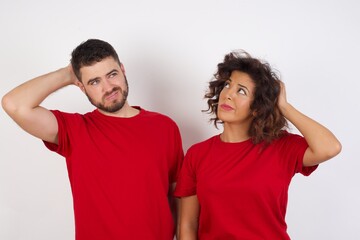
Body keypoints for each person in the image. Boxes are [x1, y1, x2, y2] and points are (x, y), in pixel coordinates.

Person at [2, 39, 184, 240]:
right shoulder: (75, 130)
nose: (108, 88)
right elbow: (14, 105)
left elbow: (177, 194)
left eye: (112, 74)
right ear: (80, 86)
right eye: (94, 81)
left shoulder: (164, 127)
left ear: (123, 70)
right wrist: (68, 73)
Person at [174, 50, 342, 239]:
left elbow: (330, 147)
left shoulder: (280, 147)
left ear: (257, 108)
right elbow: (187, 225)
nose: (228, 94)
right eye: (228, 85)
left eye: (241, 91)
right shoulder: (198, 154)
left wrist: (284, 106)